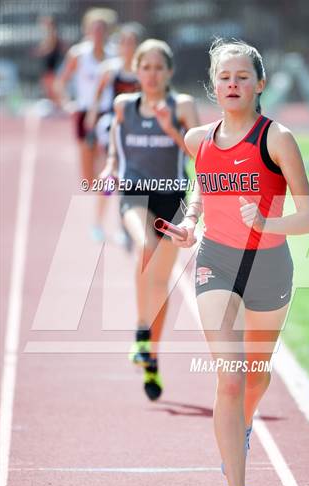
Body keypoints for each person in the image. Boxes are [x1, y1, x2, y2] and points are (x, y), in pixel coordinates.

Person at [172, 38, 309, 486]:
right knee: (231, 376)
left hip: (270, 267)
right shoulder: (199, 139)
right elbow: (201, 185)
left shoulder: (277, 139)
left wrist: (267, 222)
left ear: (260, 84)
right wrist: (191, 222)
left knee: (257, 376)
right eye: (223, 77)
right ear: (212, 86)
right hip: (216, 263)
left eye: (241, 77)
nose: (231, 85)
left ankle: (243, 428)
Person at [100, 39, 199, 400]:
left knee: (161, 283)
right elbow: (116, 146)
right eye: (146, 67)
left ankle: (151, 355)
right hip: (135, 195)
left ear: (169, 71)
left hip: (172, 197)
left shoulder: (182, 105)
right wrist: (111, 167)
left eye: (159, 68)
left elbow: (199, 152)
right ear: (136, 70)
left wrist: (169, 127)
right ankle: (142, 334)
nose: (152, 74)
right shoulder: (124, 106)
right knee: (146, 247)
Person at [56, 7, 117, 242]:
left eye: (103, 28)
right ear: (88, 30)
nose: (99, 32)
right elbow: (61, 81)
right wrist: (66, 103)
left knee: (108, 168)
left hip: (108, 113)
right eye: (95, 28)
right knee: (88, 176)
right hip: (83, 114)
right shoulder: (79, 54)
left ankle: (103, 216)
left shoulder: (115, 55)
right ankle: (98, 204)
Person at [85, 22, 144, 248]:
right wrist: (92, 116)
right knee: (111, 177)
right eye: (123, 41)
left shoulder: (144, 70)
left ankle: (124, 226)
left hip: (137, 130)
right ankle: (98, 224)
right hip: (113, 127)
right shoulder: (110, 69)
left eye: (131, 42)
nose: (127, 46)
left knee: (129, 179)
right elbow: (97, 95)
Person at [34, 15, 65, 107]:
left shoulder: (53, 33)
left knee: (52, 86)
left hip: (52, 63)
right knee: (48, 86)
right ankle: (54, 104)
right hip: (48, 64)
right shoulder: (48, 34)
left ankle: (57, 105)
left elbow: (50, 48)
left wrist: (42, 51)